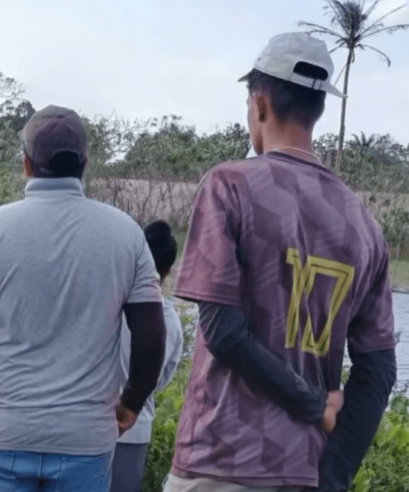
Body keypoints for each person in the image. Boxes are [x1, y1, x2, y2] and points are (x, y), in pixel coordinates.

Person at [163, 33, 396, 492]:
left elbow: (224, 332)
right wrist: (333, 475)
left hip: (219, 461)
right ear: (318, 110)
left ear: (260, 103)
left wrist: (313, 403)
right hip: (305, 471)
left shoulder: (229, 185)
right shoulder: (365, 225)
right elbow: (379, 369)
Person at [0, 105, 167, 492]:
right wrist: (131, 403)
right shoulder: (125, 233)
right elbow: (151, 336)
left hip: (4, 433)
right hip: (85, 439)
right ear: (86, 164)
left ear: (26, 164)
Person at [112, 220, 183, 492]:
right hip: (134, 429)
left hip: (89, 426)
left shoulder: (110, 307)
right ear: (168, 270)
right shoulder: (170, 323)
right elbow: (160, 379)